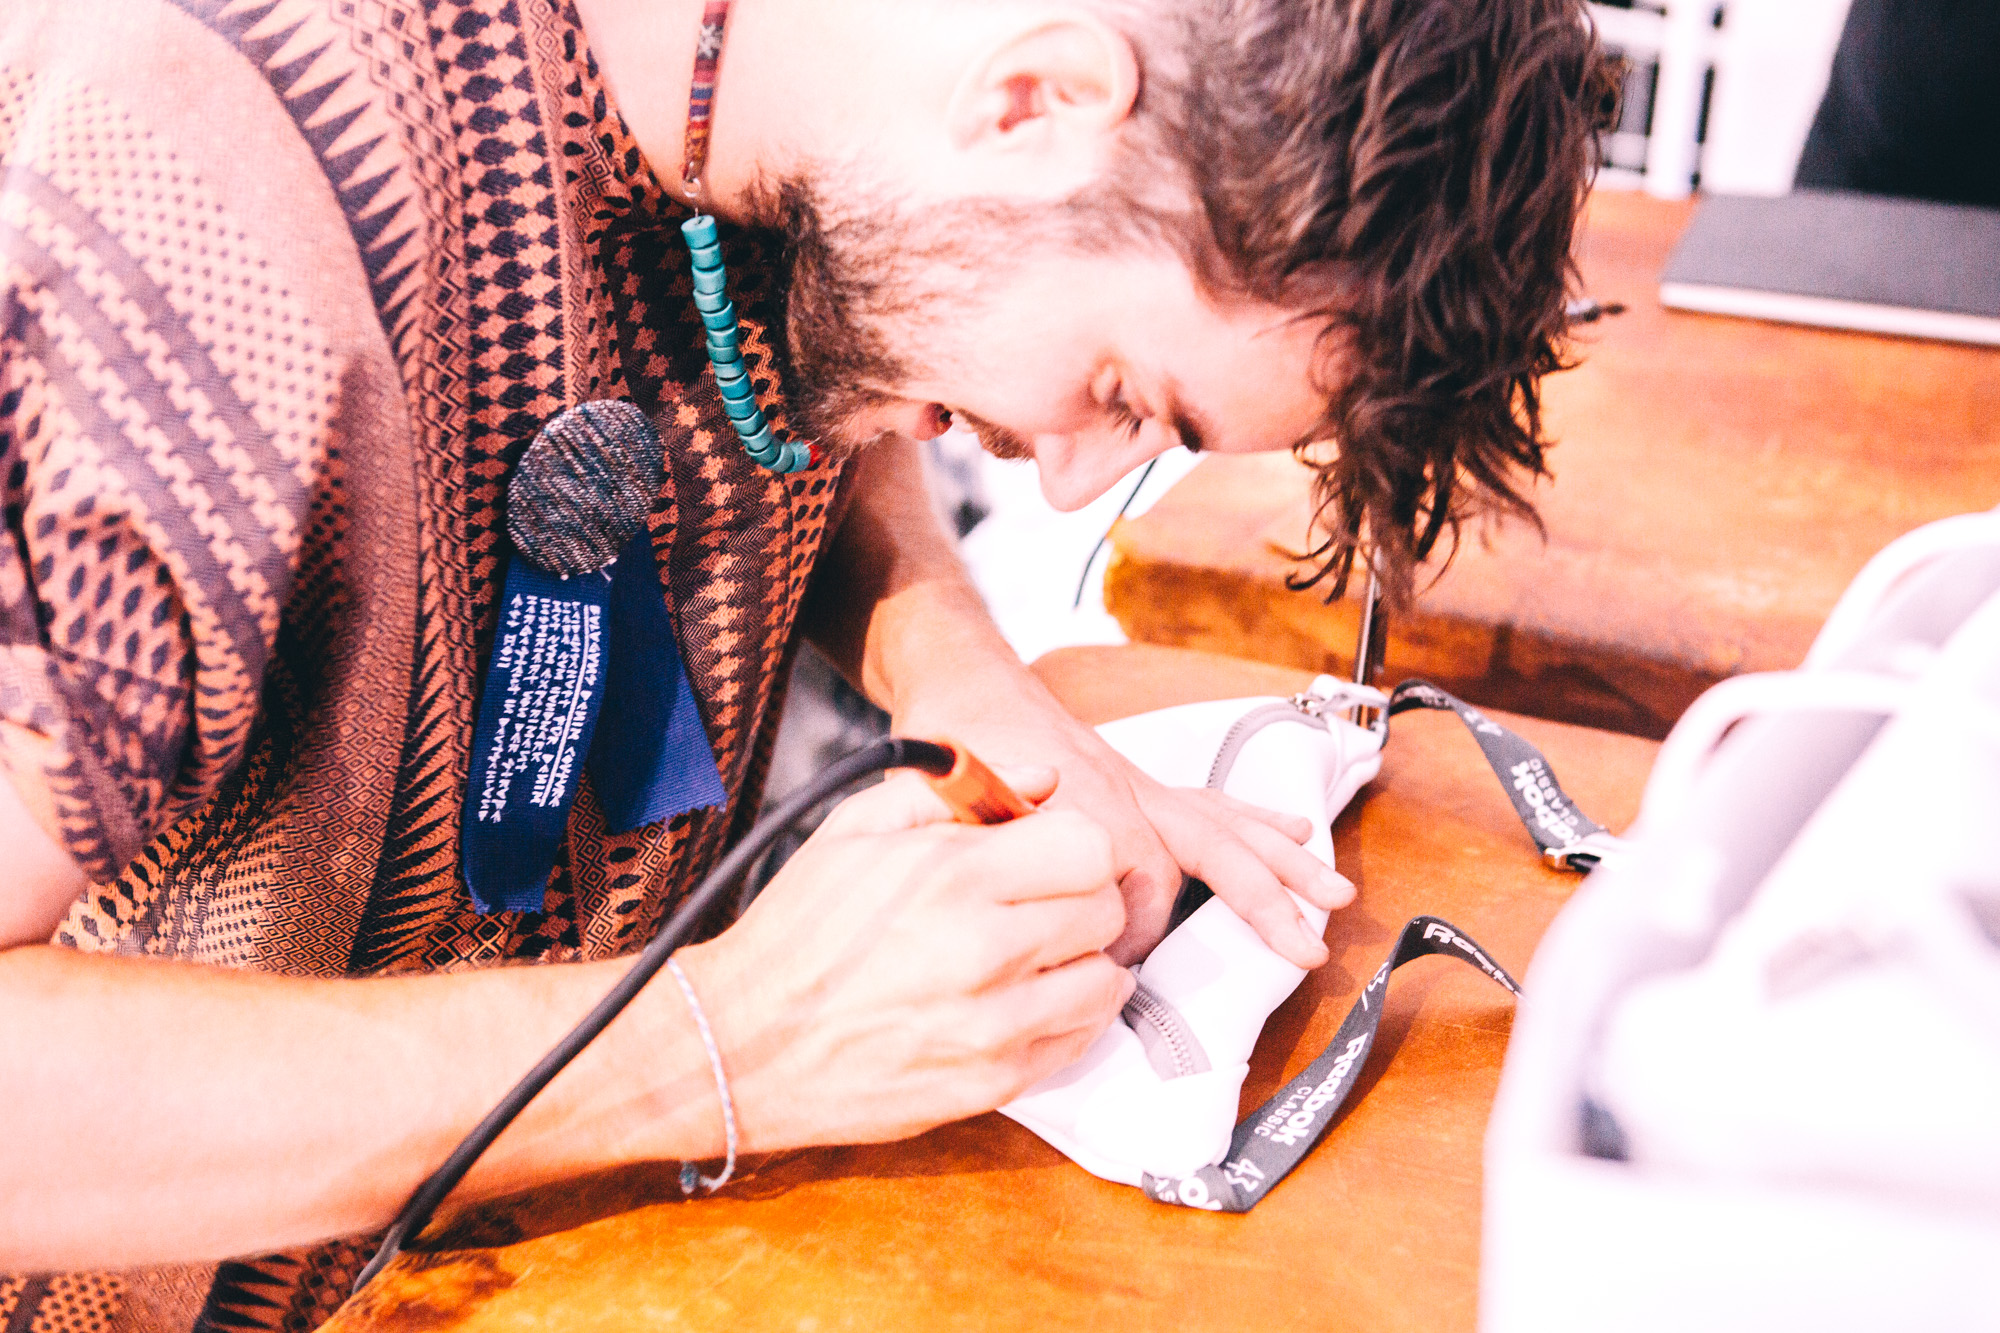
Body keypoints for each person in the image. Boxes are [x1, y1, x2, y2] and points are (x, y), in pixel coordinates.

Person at [0, 0, 1612, 1326]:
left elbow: (845, 346)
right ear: (1038, 99)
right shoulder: (206, 186)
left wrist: (964, 672)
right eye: (1121, 389)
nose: (1068, 482)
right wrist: (725, 1042)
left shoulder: (788, 113)